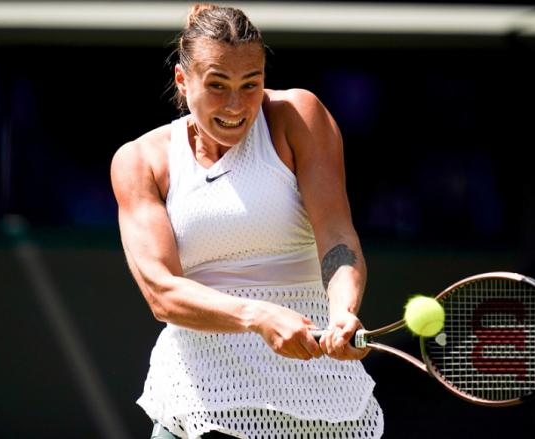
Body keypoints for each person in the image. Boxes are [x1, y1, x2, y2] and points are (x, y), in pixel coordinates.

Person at [111, 4, 383, 439]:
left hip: (323, 403)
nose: (236, 105)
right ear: (183, 81)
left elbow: (337, 236)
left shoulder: (298, 116)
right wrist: (256, 316)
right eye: (217, 85)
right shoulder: (140, 160)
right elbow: (161, 292)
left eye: (250, 84)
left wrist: (342, 311)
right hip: (196, 408)